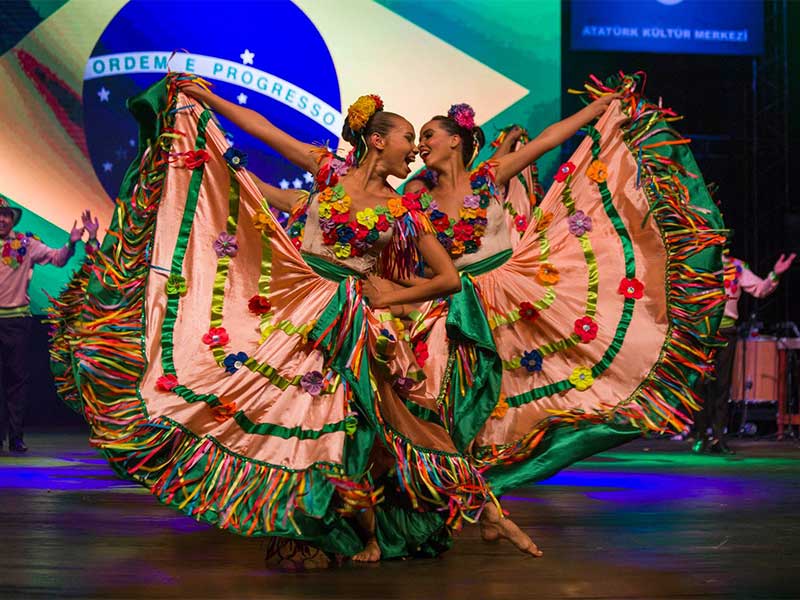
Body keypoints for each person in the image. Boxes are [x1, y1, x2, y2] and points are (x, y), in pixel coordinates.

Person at [50, 74, 537, 565]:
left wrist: (390, 293)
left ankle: (475, 507)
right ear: (377, 141)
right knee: (294, 414)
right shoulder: (327, 174)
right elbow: (264, 129)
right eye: (408, 138)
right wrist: (207, 98)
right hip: (301, 308)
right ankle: (309, 528)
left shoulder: (404, 210)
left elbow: (449, 278)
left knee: (387, 421)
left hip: (353, 322)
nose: (413, 150)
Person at [374, 73, 726, 521]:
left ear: (456, 141)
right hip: (455, 305)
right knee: (458, 401)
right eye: (417, 138)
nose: (421, 145)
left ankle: (481, 495)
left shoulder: (489, 177)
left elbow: (545, 141)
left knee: (526, 391)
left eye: (428, 135)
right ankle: (465, 493)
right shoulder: (416, 198)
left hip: (510, 295)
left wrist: (595, 111)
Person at [0, 195, 98, 452]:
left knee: (16, 382)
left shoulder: (26, 244)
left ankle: (16, 436)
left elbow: (57, 258)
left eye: (6, 215)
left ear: (12, 219)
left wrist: (72, 243)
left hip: (17, 322)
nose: (1, 219)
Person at [693, 250, 796, 454]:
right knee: (699, 384)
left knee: (722, 385)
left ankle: (718, 438)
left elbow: (759, 289)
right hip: (700, 331)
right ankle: (700, 436)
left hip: (725, 331)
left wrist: (774, 274)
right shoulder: (697, 263)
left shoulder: (735, 266)